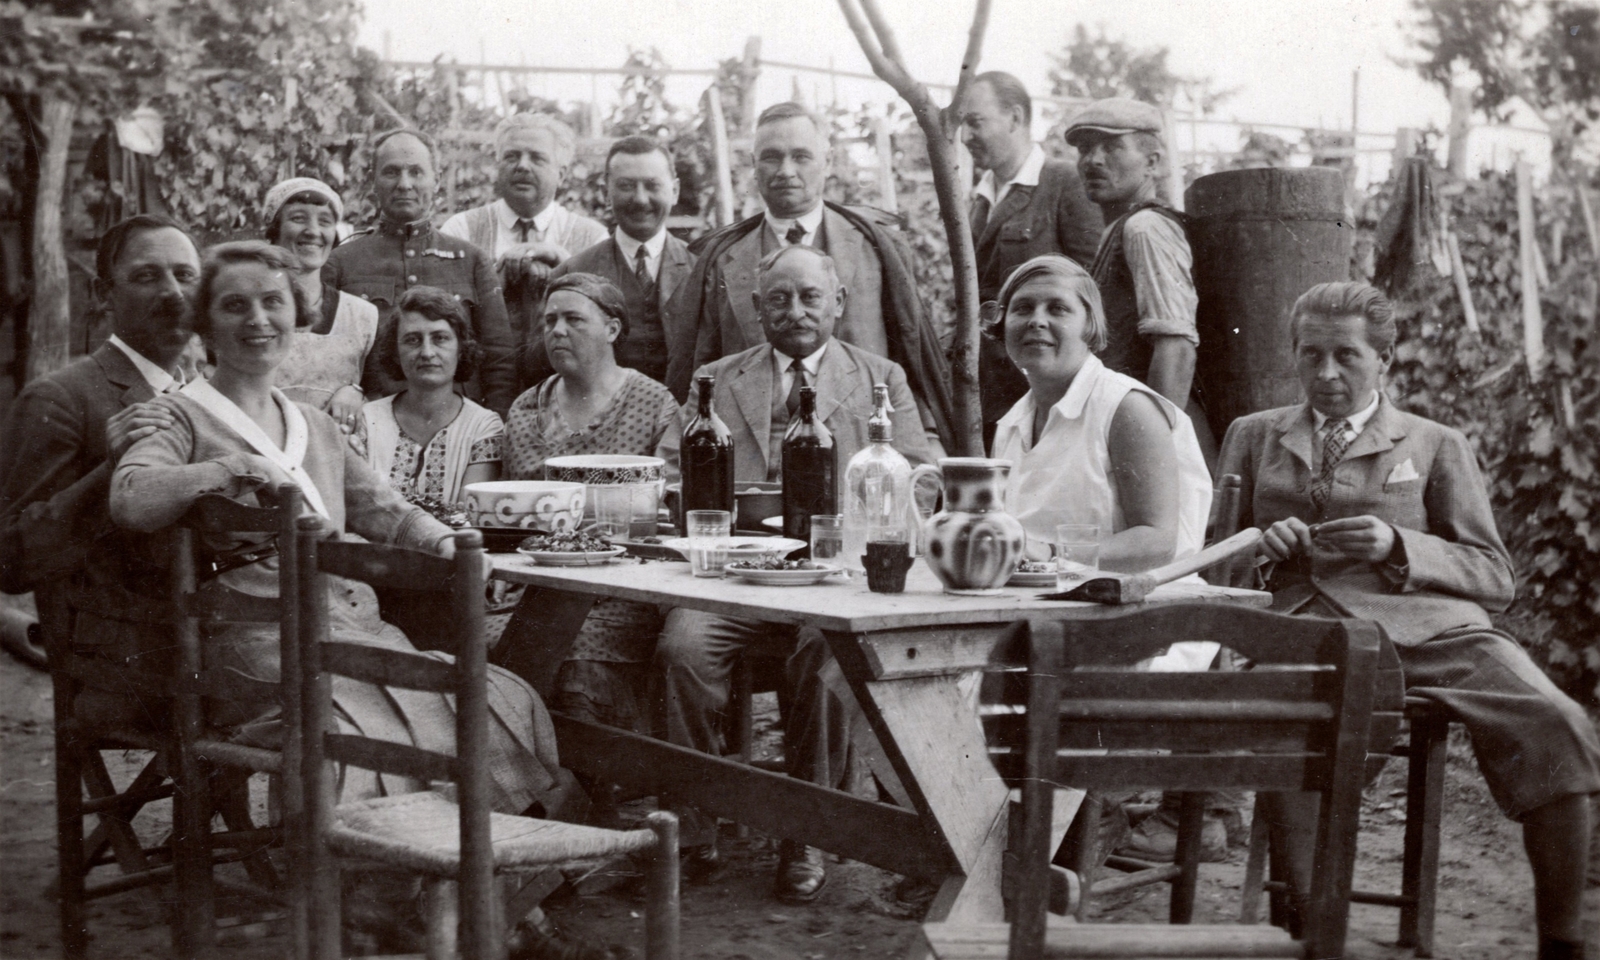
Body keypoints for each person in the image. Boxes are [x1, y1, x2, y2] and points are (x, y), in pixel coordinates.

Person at [106, 241, 601, 959]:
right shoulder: (181, 417)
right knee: (371, 726)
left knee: (489, 696)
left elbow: (387, 508)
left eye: (273, 302)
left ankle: (491, 915)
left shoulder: (310, 421)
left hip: (349, 628)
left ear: (295, 314)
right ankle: (396, 917)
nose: (257, 319)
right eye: (234, 304)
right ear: (206, 325)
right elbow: (130, 499)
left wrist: (443, 545)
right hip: (256, 646)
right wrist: (220, 470)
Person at [1219, 282, 1600, 960]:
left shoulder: (1435, 442)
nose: (1327, 374)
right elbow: (1213, 568)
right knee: (1295, 733)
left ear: (1384, 361)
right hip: (1302, 632)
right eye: (1311, 356)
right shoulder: (1253, 437)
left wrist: (1400, 547)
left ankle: (1562, 941)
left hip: (1432, 632)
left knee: (1557, 722)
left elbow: (1495, 575)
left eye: (1347, 356)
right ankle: (1316, 937)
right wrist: (1259, 552)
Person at [651, 245, 932, 904]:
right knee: (681, 652)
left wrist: (870, 502)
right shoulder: (715, 376)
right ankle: (694, 826)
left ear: (838, 302)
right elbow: (669, 470)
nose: (796, 311)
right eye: (779, 298)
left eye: (810, 297)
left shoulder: (880, 377)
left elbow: (923, 477)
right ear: (756, 309)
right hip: (733, 575)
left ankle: (804, 832)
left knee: (828, 658)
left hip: (834, 576)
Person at [665, 101, 954, 453]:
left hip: (857, 448)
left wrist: (929, 441)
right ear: (753, 167)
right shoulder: (721, 258)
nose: (785, 171)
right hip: (753, 454)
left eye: (801, 156)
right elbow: (702, 370)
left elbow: (910, 353)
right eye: (771, 157)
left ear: (827, 162)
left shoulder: (876, 247)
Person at [0, 215, 201, 684]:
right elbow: (10, 562)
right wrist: (111, 470)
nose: (173, 293)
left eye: (185, 274)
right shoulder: (62, 397)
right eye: (147, 276)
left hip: (209, 640)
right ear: (102, 295)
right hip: (125, 664)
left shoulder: (204, 394)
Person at [503, 273, 678, 731]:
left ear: (613, 329)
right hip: (532, 586)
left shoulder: (655, 404)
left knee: (578, 659)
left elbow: (666, 512)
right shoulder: (525, 409)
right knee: (489, 647)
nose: (557, 331)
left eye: (573, 319)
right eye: (549, 321)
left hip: (620, 590)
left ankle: (587, 792)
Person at [324, 128, 518, 414]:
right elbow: (329, 360)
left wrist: (494, 428)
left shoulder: (472, 260)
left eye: (416, 172)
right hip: (373, 422)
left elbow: (500, 359)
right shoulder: (341, 262)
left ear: (436, 181)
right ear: (373, 181)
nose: (404, 184)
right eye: (391, 172)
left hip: (460, 422)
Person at [1064, 98, 1214, 464]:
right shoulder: (1118, 230)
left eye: (1112, 147)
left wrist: (1153, 452)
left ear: (1152, 163)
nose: (1093, 160)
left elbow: (1175, 347)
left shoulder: (1145, 228)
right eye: (1085, 148)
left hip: (1155, 442)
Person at [958, 72, 1102, 450]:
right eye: (962, 125)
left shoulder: (1063, 183)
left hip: (1049, 393)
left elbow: (1093, 292)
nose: (965, 137)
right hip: (991, 392)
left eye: (975, 122)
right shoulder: (980, 200)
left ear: (1016, 118)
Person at [443, 113, 608, 391]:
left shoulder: (592, 237)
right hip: (479, 391)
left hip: (567, 392)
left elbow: (603, 329)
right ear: (497, 165)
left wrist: (565, 268)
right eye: (511, 156)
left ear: (563, 173)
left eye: (537, 158)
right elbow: (443, 319)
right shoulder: (461, 230)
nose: (522, 166)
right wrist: (492, 284)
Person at [549, 135, 696, 385]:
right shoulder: (573, 271)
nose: (640, 199)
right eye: (626, 186)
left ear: (675, 191)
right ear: (607, 193)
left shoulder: (703, 268)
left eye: (652, 185)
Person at [357, 286, 504, 508]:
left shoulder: (483, 426)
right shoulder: (367, 420)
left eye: (440, 338)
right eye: (412, 340)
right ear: (395, 352)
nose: (427, 352)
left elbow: (468, 517)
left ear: (461, 349)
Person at [260, 176, 379, 427]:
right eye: (298, 218)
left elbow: (382, 392)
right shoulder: (253, 310)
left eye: (324, 221)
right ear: (274, 230)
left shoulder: (362, 316)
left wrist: (357, 391)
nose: (313, 232)